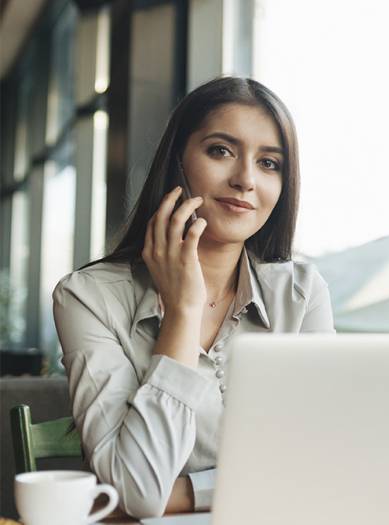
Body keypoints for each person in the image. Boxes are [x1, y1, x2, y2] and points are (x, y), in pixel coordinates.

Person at [52, 76, 336, 519]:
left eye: (269, 163)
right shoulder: (87, 298)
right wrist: (182, 311)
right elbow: (137, 491)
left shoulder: (301, 294)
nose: (245, 180)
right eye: (221, 151)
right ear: (177, 161)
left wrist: (184, 493)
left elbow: (327, 462)